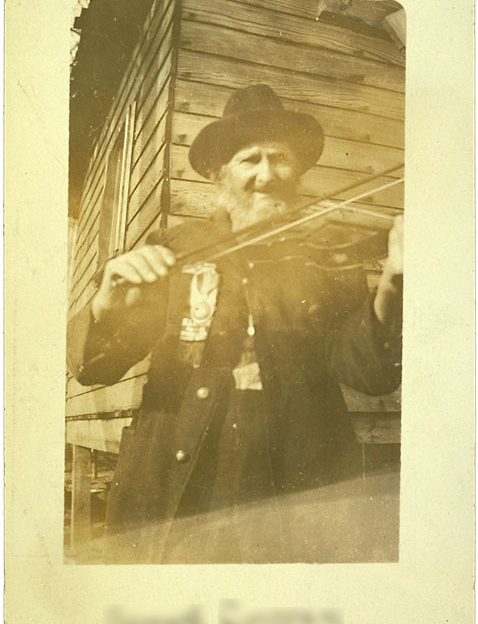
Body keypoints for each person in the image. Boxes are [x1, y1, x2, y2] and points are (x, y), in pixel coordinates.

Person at [67, 84, 403, 564]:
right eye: (250, 160)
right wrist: (107, 302)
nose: (268, 175)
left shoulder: (326, 255)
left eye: (280, 158)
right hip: (183, 466)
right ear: (219, 175)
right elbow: (95, 368)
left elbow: (368, 373)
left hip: (293, 467)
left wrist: (392, 282)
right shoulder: (175, 248)